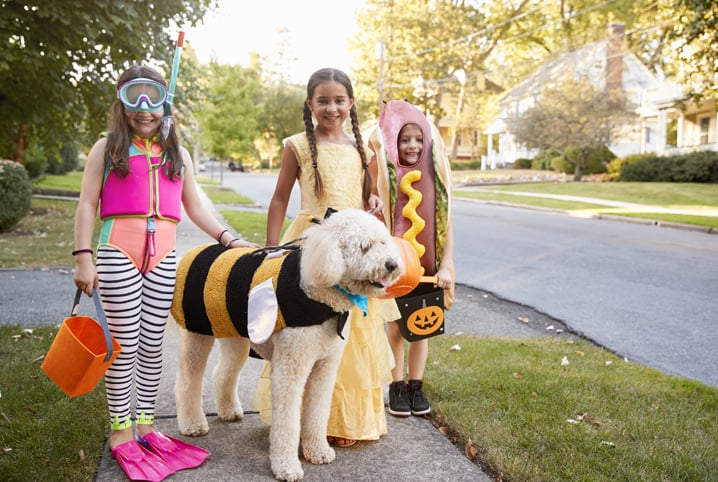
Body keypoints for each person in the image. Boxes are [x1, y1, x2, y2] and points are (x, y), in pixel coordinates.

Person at [73, 64, 257, 481]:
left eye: (152, 97)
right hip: (118, 251)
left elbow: (195, 206)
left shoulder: (178, 153)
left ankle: (146, 426)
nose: (144, 107)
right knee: (123, 346)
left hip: (164, 257)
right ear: (121, 102)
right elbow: (86, 204)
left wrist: (229, 238)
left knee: (153, 346)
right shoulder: (107, 148)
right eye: (134, 96)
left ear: (164, 101)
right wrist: (83, 257)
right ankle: (121, 432)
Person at [255, 67, 399, 447]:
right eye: (323, 100)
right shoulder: (297, 146)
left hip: (354, 251)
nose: (331, 107)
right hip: (312, 243)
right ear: (310, 103)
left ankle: (341, 423)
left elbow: (367, 193)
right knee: (303, 335)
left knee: (348, 341)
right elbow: (279, 199)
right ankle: (297, 421)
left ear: (351, 103)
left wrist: (372, 201)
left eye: (339, 100)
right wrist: (270, 249)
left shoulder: (361, 148)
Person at [368, 99, 455, 417]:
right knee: (395, 328)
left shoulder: (436, 176)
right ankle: (396, 385)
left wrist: (445, 265)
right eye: (405, 139)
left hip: (430, 269)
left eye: (419, 139)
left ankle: (416, 386)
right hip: (397, 268)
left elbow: (447, 224)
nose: (413, 145)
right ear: (394, 142)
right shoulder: (387, 175)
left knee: (423, 327)